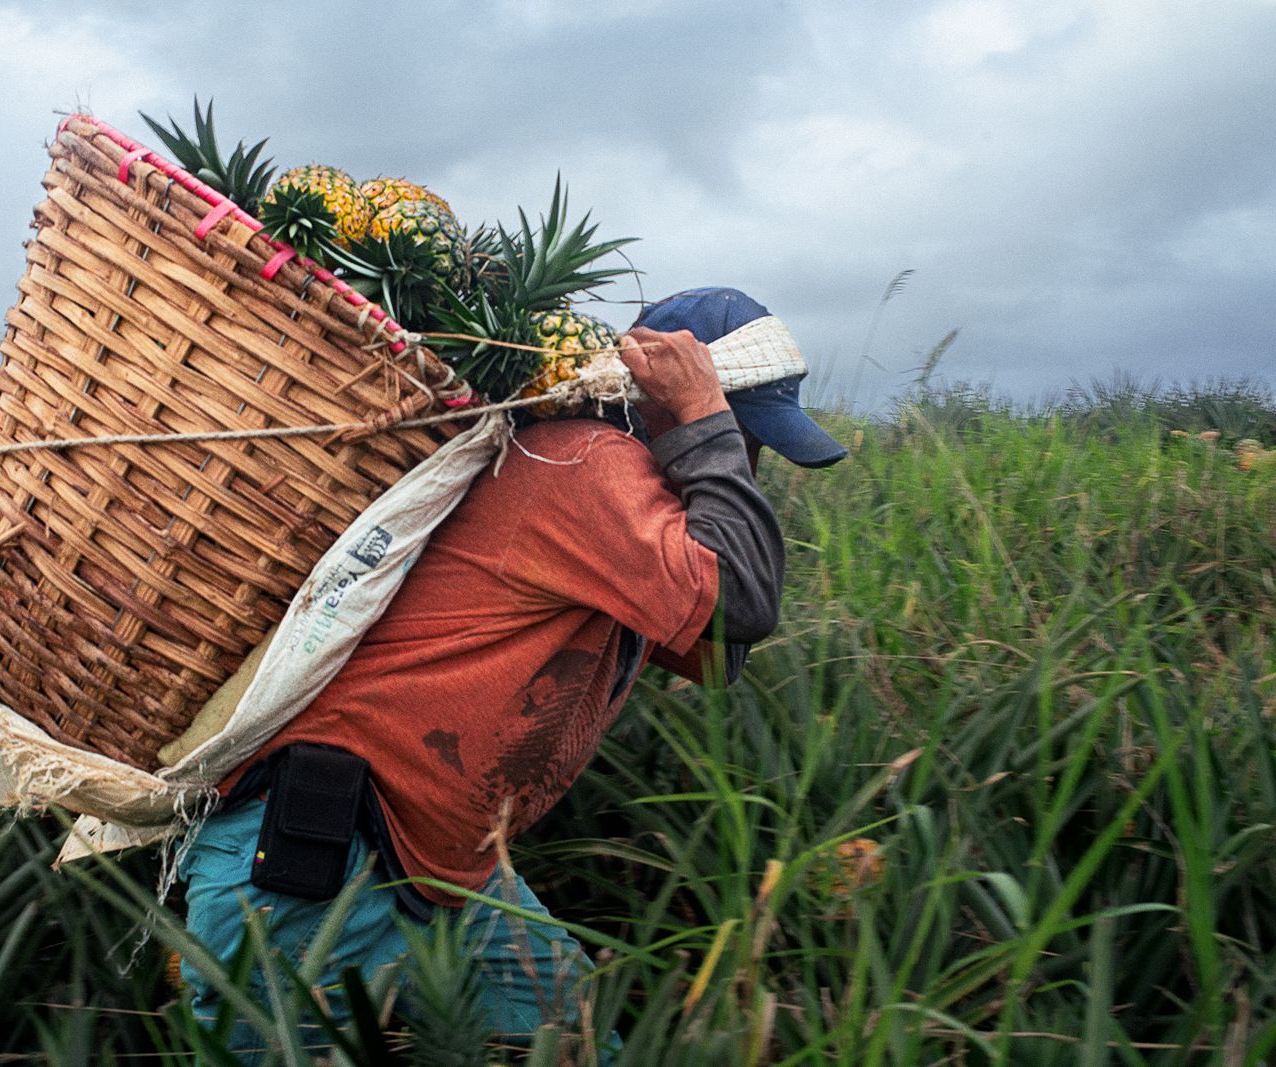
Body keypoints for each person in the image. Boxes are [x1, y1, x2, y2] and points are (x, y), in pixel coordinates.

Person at [179, 288, 847, 1060]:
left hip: (444, 870)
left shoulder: (628, 505)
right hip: (314, 864)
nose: (748, 456)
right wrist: (704, 422)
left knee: (575, 1045)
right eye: (743, 434)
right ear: (660, 393)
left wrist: (706, 463)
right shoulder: (586, 466)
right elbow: (743, 601)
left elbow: (718, 648)